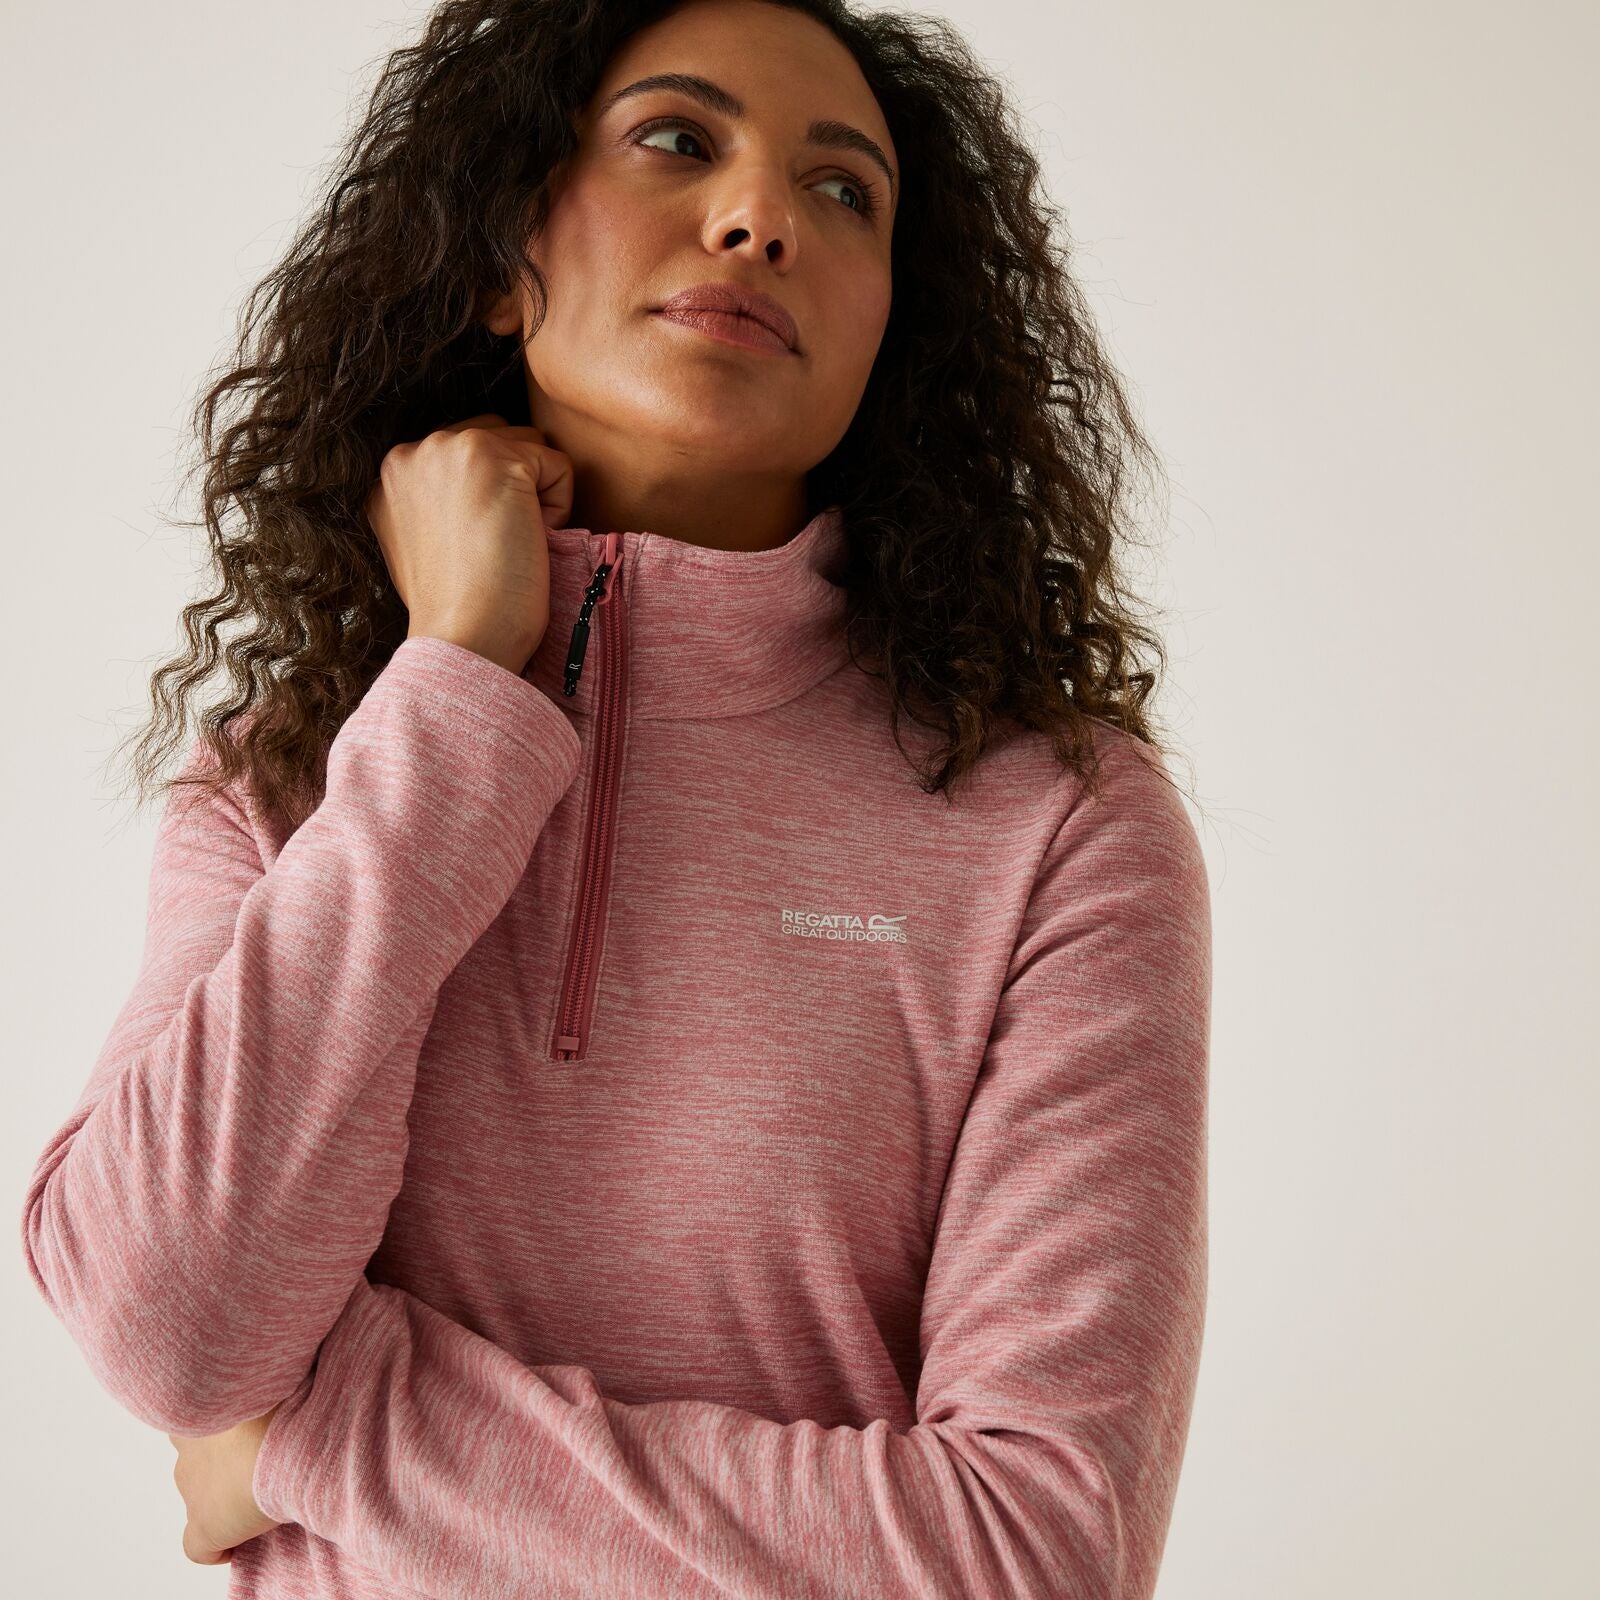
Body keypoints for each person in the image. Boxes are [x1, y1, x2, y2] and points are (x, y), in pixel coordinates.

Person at [19, 1, 1213, 1595]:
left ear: (895, 331)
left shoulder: (1055, 824)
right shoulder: (297, 774)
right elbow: (172, 1323)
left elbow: (1034, 1553)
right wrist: (458, 682)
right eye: (677, 139)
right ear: (502, 252)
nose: (760, 215)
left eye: (843, 190)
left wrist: (327, 1426)